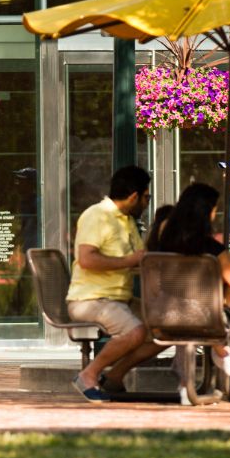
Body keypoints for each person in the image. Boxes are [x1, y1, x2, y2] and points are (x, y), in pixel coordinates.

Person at [156, 183, 230, 384]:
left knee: (197, 312)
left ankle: (205, 365)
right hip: (206, 320)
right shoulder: (213, 250)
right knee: (226, 314)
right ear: (207, 213)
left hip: (164, 314)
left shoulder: (164, 243)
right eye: (215, 210)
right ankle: (222, 352)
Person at [66, 165, 161, 401]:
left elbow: (138, 260)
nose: (147, 203)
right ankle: (88, 375)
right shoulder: (97, 215)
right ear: (134, 197)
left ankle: (115, 376)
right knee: (135, 331)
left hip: (120, 299)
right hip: (91, 299)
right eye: (147, 197)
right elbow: (87, 259)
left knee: (169, 327)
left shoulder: (127, 221)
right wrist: (130, 261)